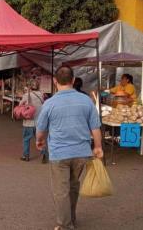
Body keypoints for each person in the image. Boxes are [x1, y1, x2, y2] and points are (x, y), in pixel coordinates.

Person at [36, 66, 103, 230]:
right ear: (73, 80)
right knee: (73, 187)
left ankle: (65, 225)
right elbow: (95, 127)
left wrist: (40, 140)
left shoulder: (50, 103)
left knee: (61, 191)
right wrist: (99, 146)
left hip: (59, 154)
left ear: (55, 81)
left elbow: (41, 129)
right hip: (82, 153)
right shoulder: (86, 100)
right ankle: (71, 218)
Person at [19, 83, 48, 163]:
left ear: (29, 87)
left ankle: (26, 156)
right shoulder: (42, 95)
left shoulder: (26, 95)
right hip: (39, 122)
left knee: (26, 139)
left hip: (28, 122)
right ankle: (44, 154)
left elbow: (20, 105)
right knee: (40, 139)